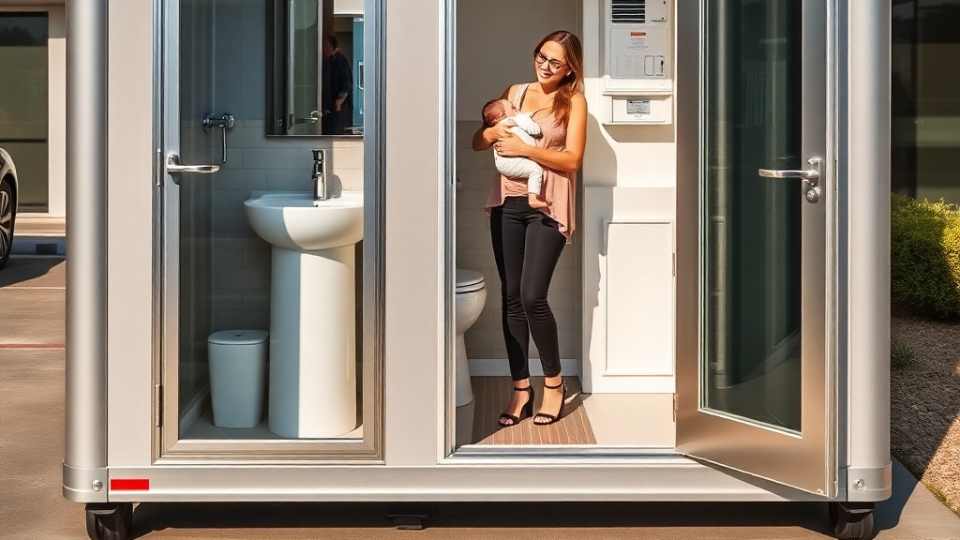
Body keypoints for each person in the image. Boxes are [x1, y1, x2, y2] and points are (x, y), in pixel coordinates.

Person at [471, 30, 587, 427]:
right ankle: (521, 388)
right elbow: (479, 140)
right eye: (541, 56)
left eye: (555, 61)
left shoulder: (574, 102)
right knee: (511, 298)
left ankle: (553, 384)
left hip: (548, 205)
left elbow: (572, 160)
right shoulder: (515, 93)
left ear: (570, 67)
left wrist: (527, 151)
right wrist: (490, 133)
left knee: (533, 295)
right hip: (508, 204)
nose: (545, 65)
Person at [481, 98, 548, 209]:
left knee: (533, 169)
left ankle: (532, 197)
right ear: (501, 115)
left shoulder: (500, 126)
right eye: (512, 107)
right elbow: (534, 130)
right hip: (511, 162)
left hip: (505, 163)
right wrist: (525, 117)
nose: (516, 109)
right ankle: (533, 198)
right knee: (536, 170)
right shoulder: (514, 120)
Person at [321, 34, 353, 135]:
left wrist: (339, 102)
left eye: (325, 45)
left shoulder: (339, 60)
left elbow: (347, 84)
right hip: (329, 111)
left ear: (331, 46)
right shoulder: (328, 61)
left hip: (337, 111)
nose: (323, 48)